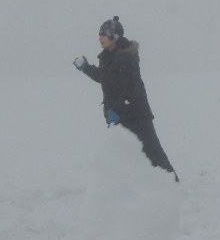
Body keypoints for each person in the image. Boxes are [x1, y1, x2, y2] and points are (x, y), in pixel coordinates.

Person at [74, 18, 177, 178]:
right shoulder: (107, 56)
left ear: (114, 36)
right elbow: (105, 78)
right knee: (122, 159)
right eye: (99, 34)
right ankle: (129, 189)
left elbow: (131, 88)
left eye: (103, 34)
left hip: (136, 116)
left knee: (154, 154)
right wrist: (86, 68)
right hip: (117, 117)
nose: (100, 38)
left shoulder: (126, 56)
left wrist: (117, 109)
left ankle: (172, 185)